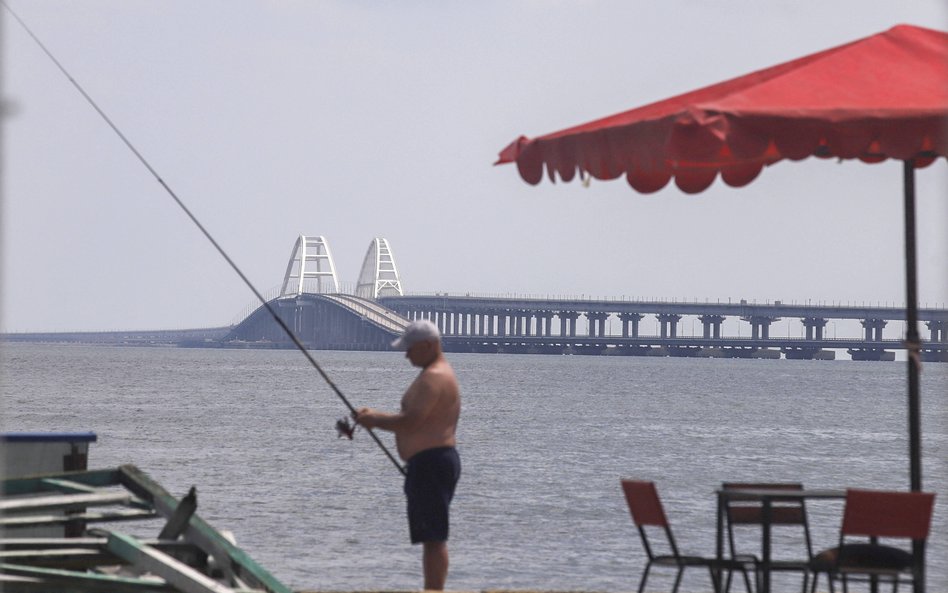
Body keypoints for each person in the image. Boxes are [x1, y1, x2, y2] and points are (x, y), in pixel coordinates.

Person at [354, 319, 461, 591]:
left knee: (434, 537)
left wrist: (375, 420)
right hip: (430, 463)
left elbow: (412, 421)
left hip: (432, 464)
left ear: (428, 345)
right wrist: (374, 417)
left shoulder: (434, 377)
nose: (406, 354)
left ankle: (433, 590)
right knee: (430, 535)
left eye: (410, 348)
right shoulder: (435, 373)